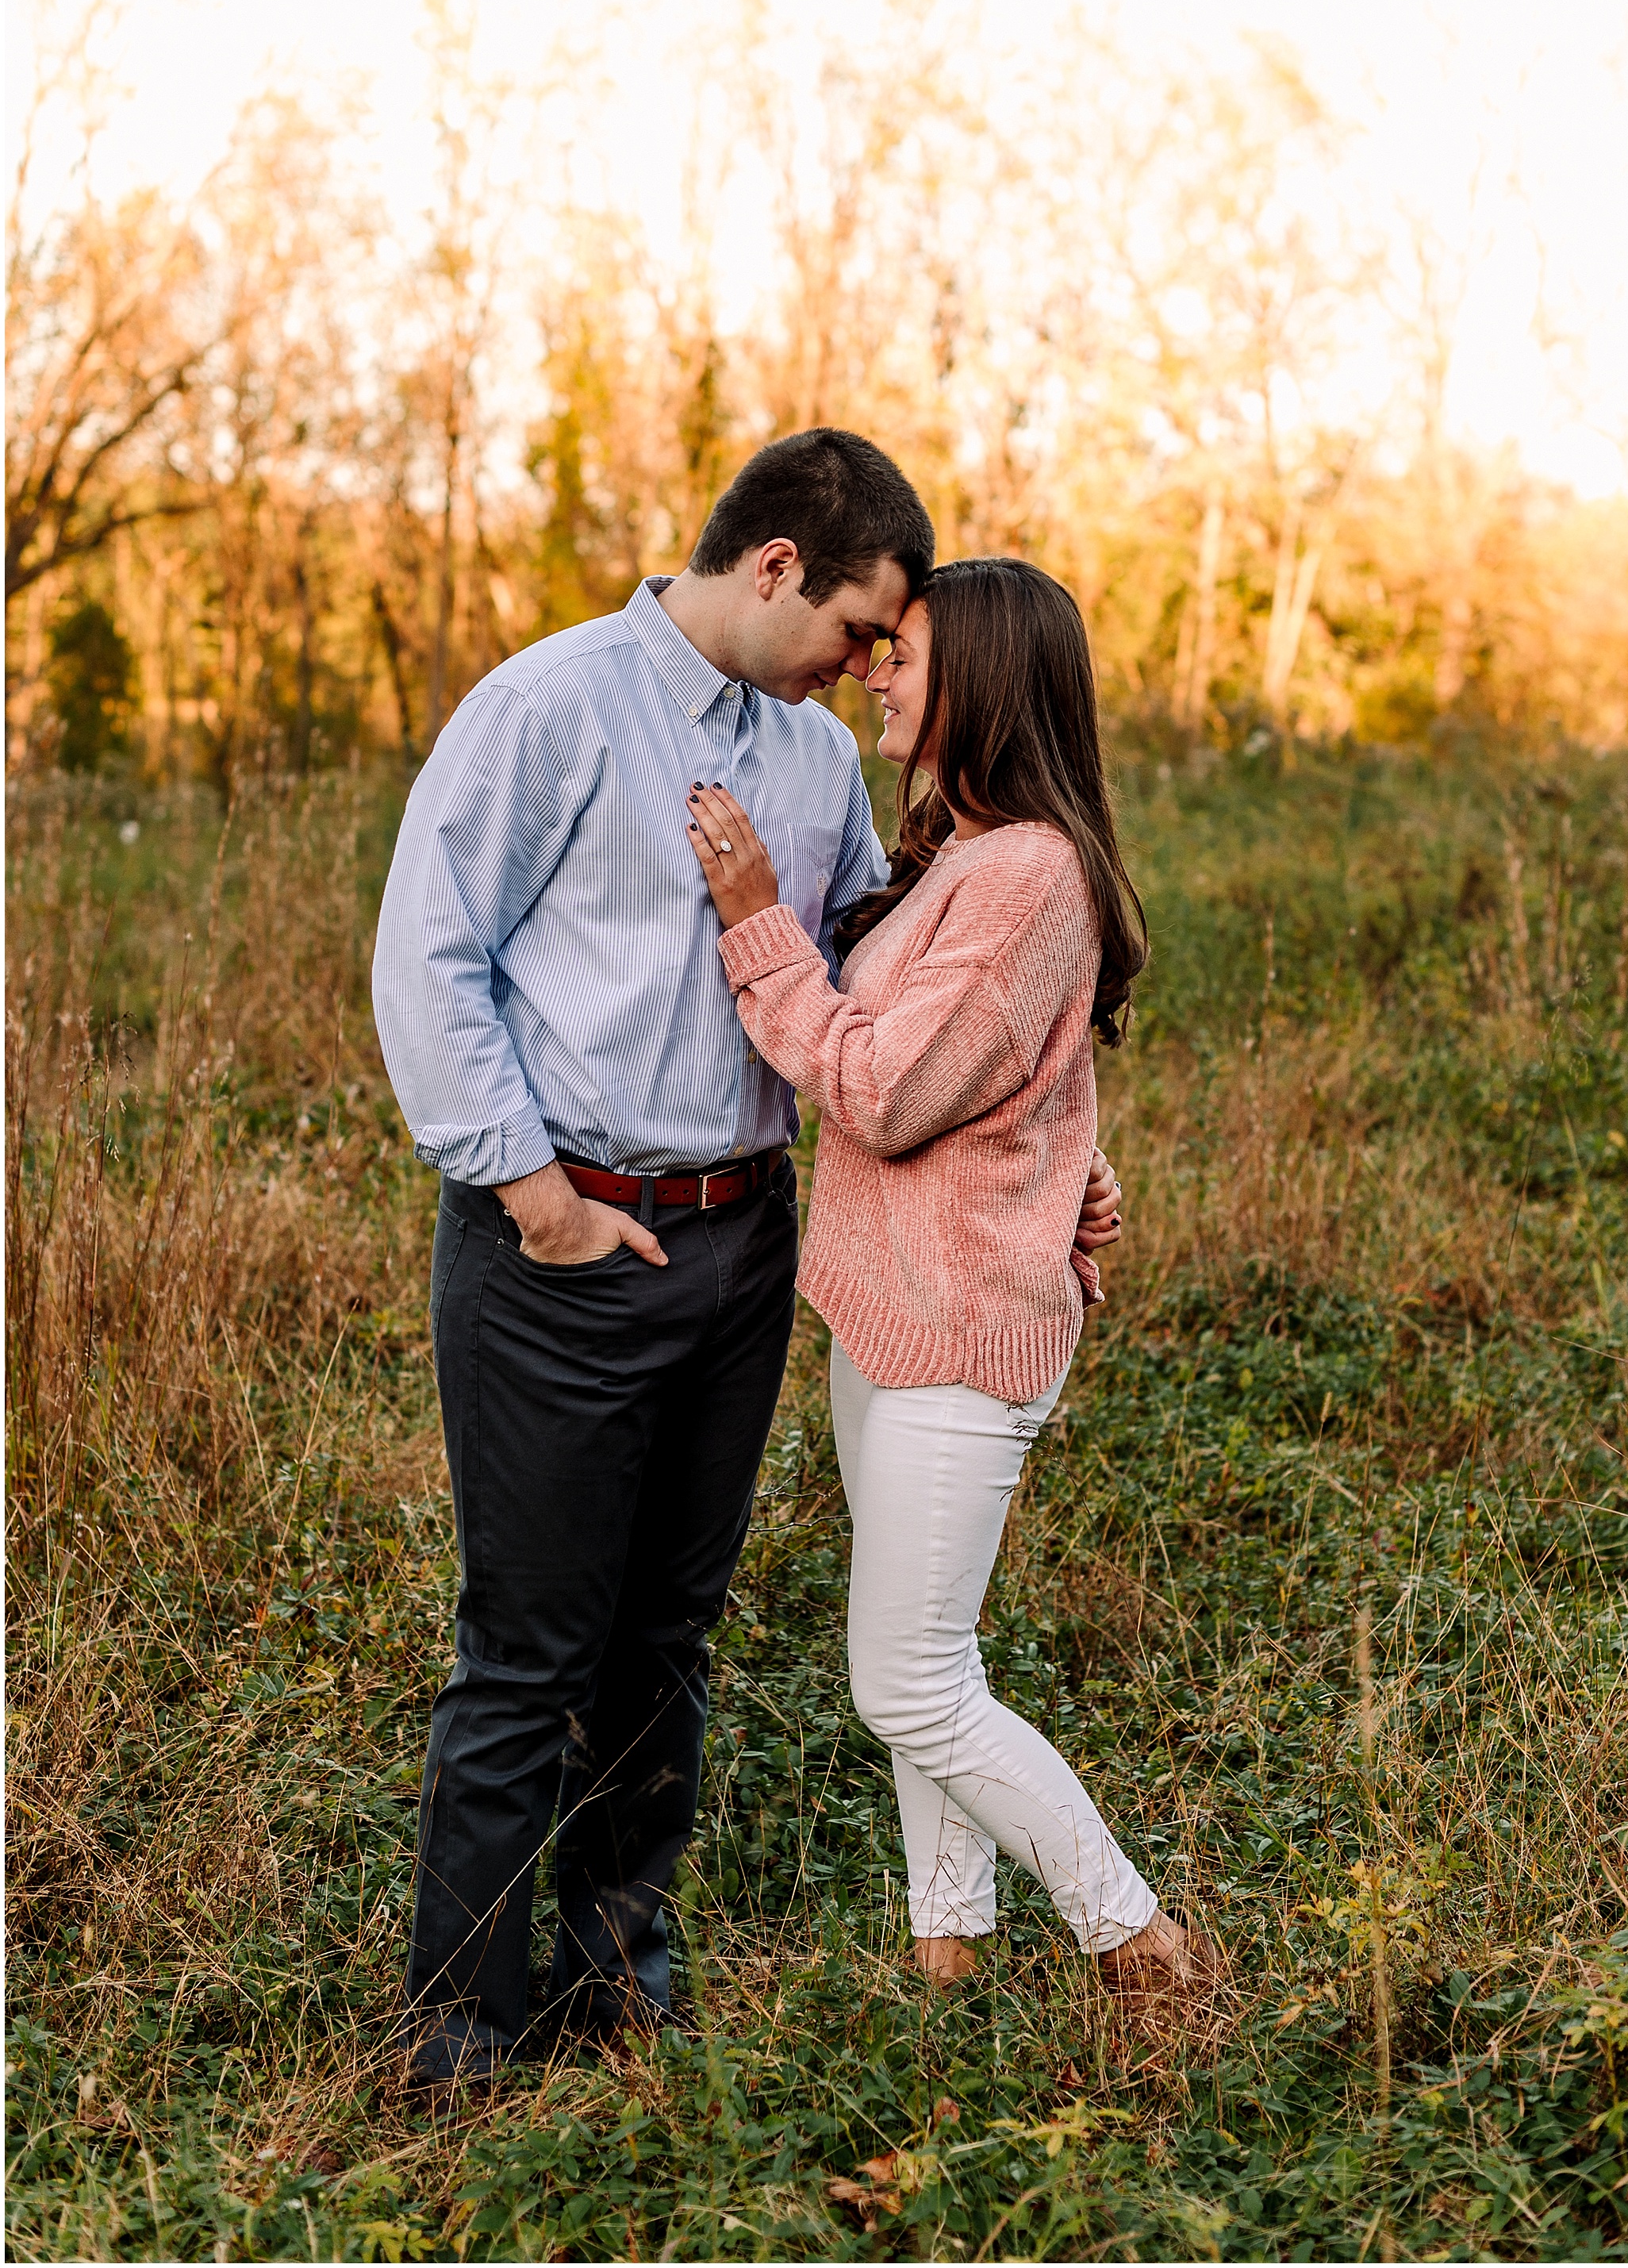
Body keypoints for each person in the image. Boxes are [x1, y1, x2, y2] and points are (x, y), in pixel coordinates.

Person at [372, 431, 1122, 2093]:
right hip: (561, 1238)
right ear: (776, 567)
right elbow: (425, 957)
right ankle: (459, 2036)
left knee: (666, 1640)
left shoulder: (801, 762)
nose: (868, 668)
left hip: (740, 1248)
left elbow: (881, 983)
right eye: (861, 629)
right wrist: (533, 1198)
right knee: (528, 1651)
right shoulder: (550, 707)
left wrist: (1050, 1144)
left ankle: (617, 1972)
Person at [688, 555, 1206, 1997]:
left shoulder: (1030, 872)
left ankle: (1139, 1940)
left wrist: (754, 918)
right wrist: (1068, 1173)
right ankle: (946, 1952)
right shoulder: (972, 851)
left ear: (983, 674)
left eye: (902, 649)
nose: (873, 668)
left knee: (907, 1679)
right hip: (896, 1310)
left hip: (961, 1335)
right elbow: (1020, 1083)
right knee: (934, 1654)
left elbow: (890, 1087)